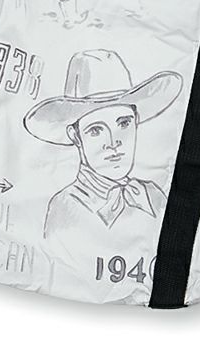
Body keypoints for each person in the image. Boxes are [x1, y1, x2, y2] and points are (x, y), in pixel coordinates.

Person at [24, 49, 182, 254]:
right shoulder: (65, 206)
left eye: (124, 124)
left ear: (136, 122)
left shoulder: (151, 194)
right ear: (75, 135)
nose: (113, 143)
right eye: (96, 130)